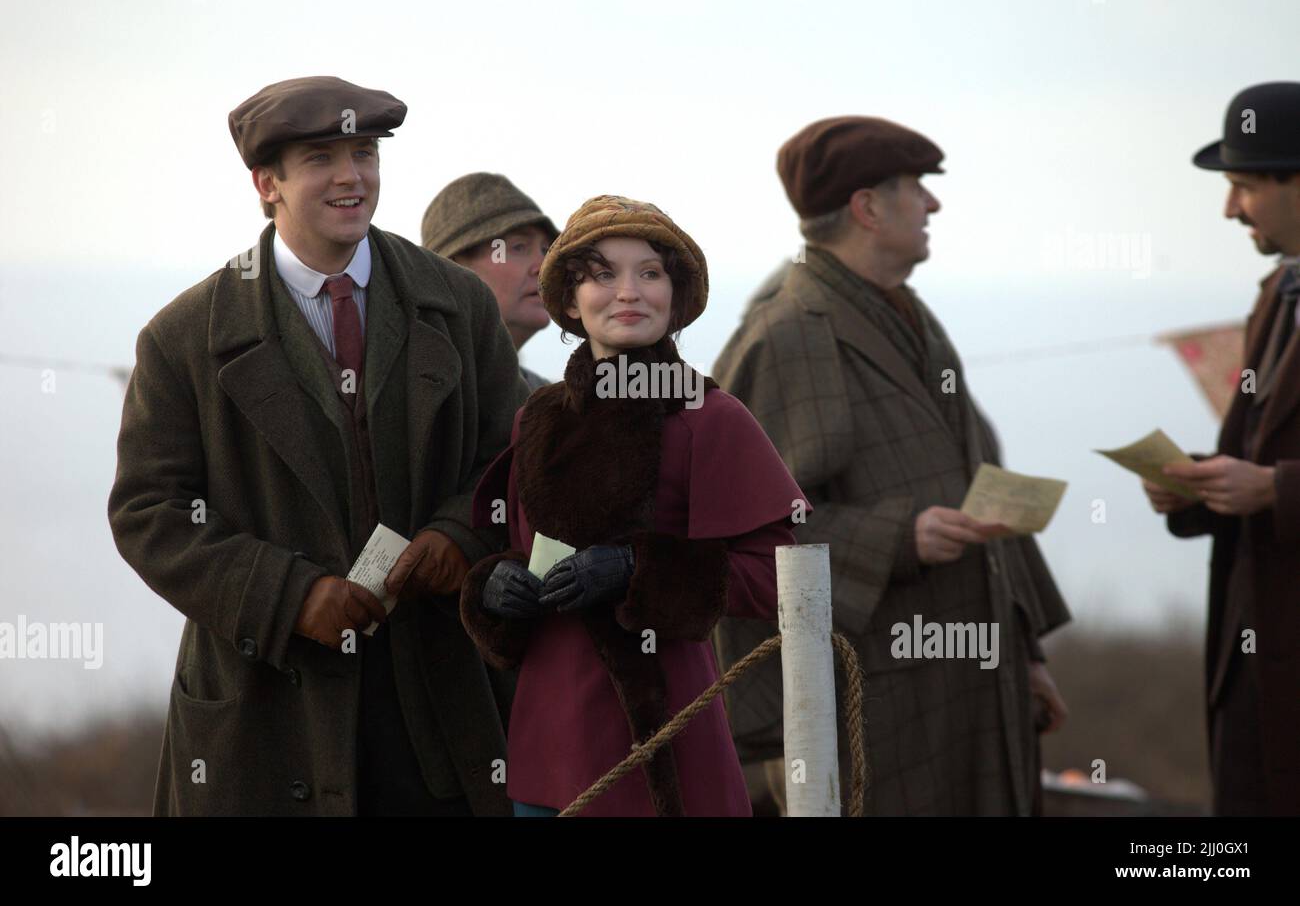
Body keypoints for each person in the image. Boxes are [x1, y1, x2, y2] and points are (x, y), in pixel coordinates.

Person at [107, 76, 529, 816]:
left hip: (440, 711)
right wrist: (290, 596)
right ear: (265, 183)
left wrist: (459, 533)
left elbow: (513, 457)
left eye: (364, 152)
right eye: (319, 158)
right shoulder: (182, 339)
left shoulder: (458, 305)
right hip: (264, 720)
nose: (351, 176)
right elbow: (151, 513)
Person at [712, 116, 1071, 816]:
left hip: (975, 682)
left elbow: (979, 477)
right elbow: (747, 535)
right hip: (875, 703)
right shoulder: (785, 336)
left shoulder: (911, 313)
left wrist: (1026, 650)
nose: (932, 205)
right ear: (866, 208)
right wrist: (899, 537)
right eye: (916, 189)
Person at [458, 195, 807, 816]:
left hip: (669, 748)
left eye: (650, 273)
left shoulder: (712, 417)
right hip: (545, 749)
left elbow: (785, 572)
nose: (628, 292)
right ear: (568, 299)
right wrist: (495, 588)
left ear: (675, 297)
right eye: (602, 274)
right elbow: (512, 550)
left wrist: (634, 569)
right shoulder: (535, 421)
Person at [1144, 81, 1300, 815]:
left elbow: (1272, 473)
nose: (1229, 208)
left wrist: (1277, 488)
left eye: (1243, 185)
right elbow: (1248, 447)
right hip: (1253, 664)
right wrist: (1196, 488)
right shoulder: (1276, 293)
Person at [422, 173, 559, 390]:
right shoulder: (413, 386)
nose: (544, 267)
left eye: (546, 250)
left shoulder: (547, 401)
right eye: (519, 247)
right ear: (452, 268)